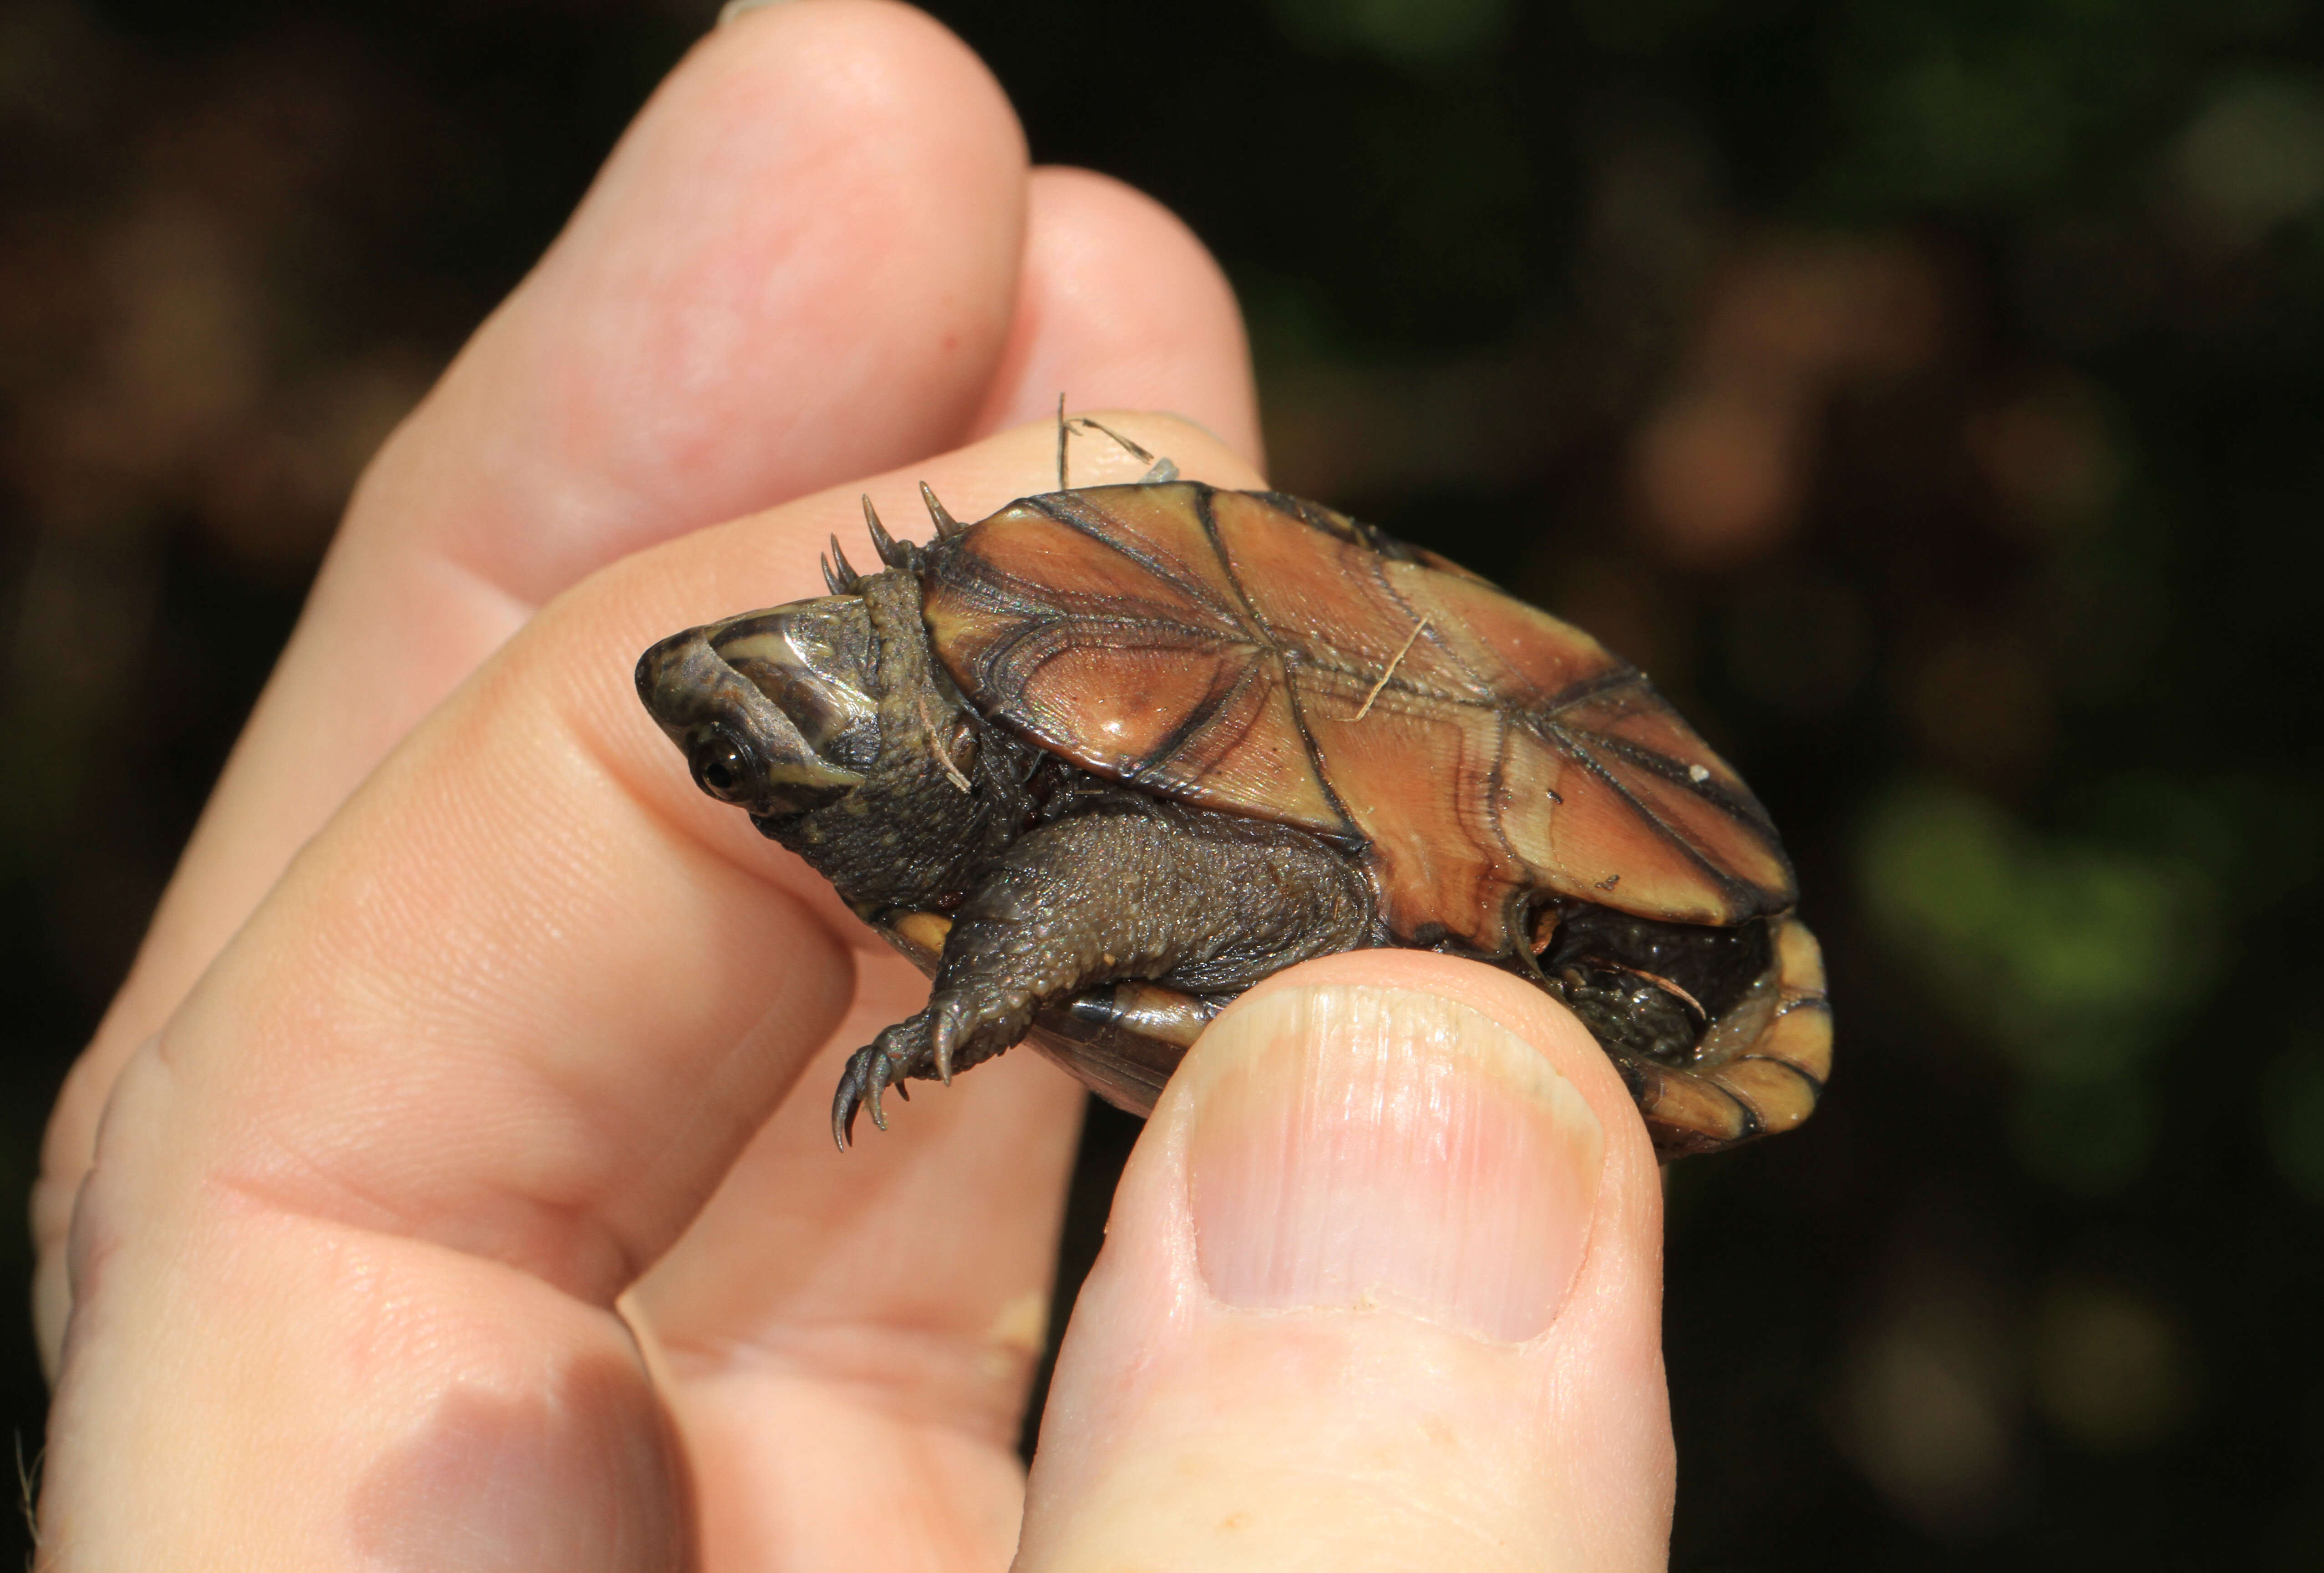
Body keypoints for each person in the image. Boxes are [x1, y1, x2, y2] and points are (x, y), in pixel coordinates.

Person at [28, 3, 1674, 1566]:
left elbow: (1112, 813)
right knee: (1125, 882)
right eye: (746, 754)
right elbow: (1089, 875)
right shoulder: (1037, 818)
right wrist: (982, 984)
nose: (746, 682)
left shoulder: (1053, 624)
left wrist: (975, 987)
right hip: (1409, 898)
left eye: (800, 641)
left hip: (1590, 890)